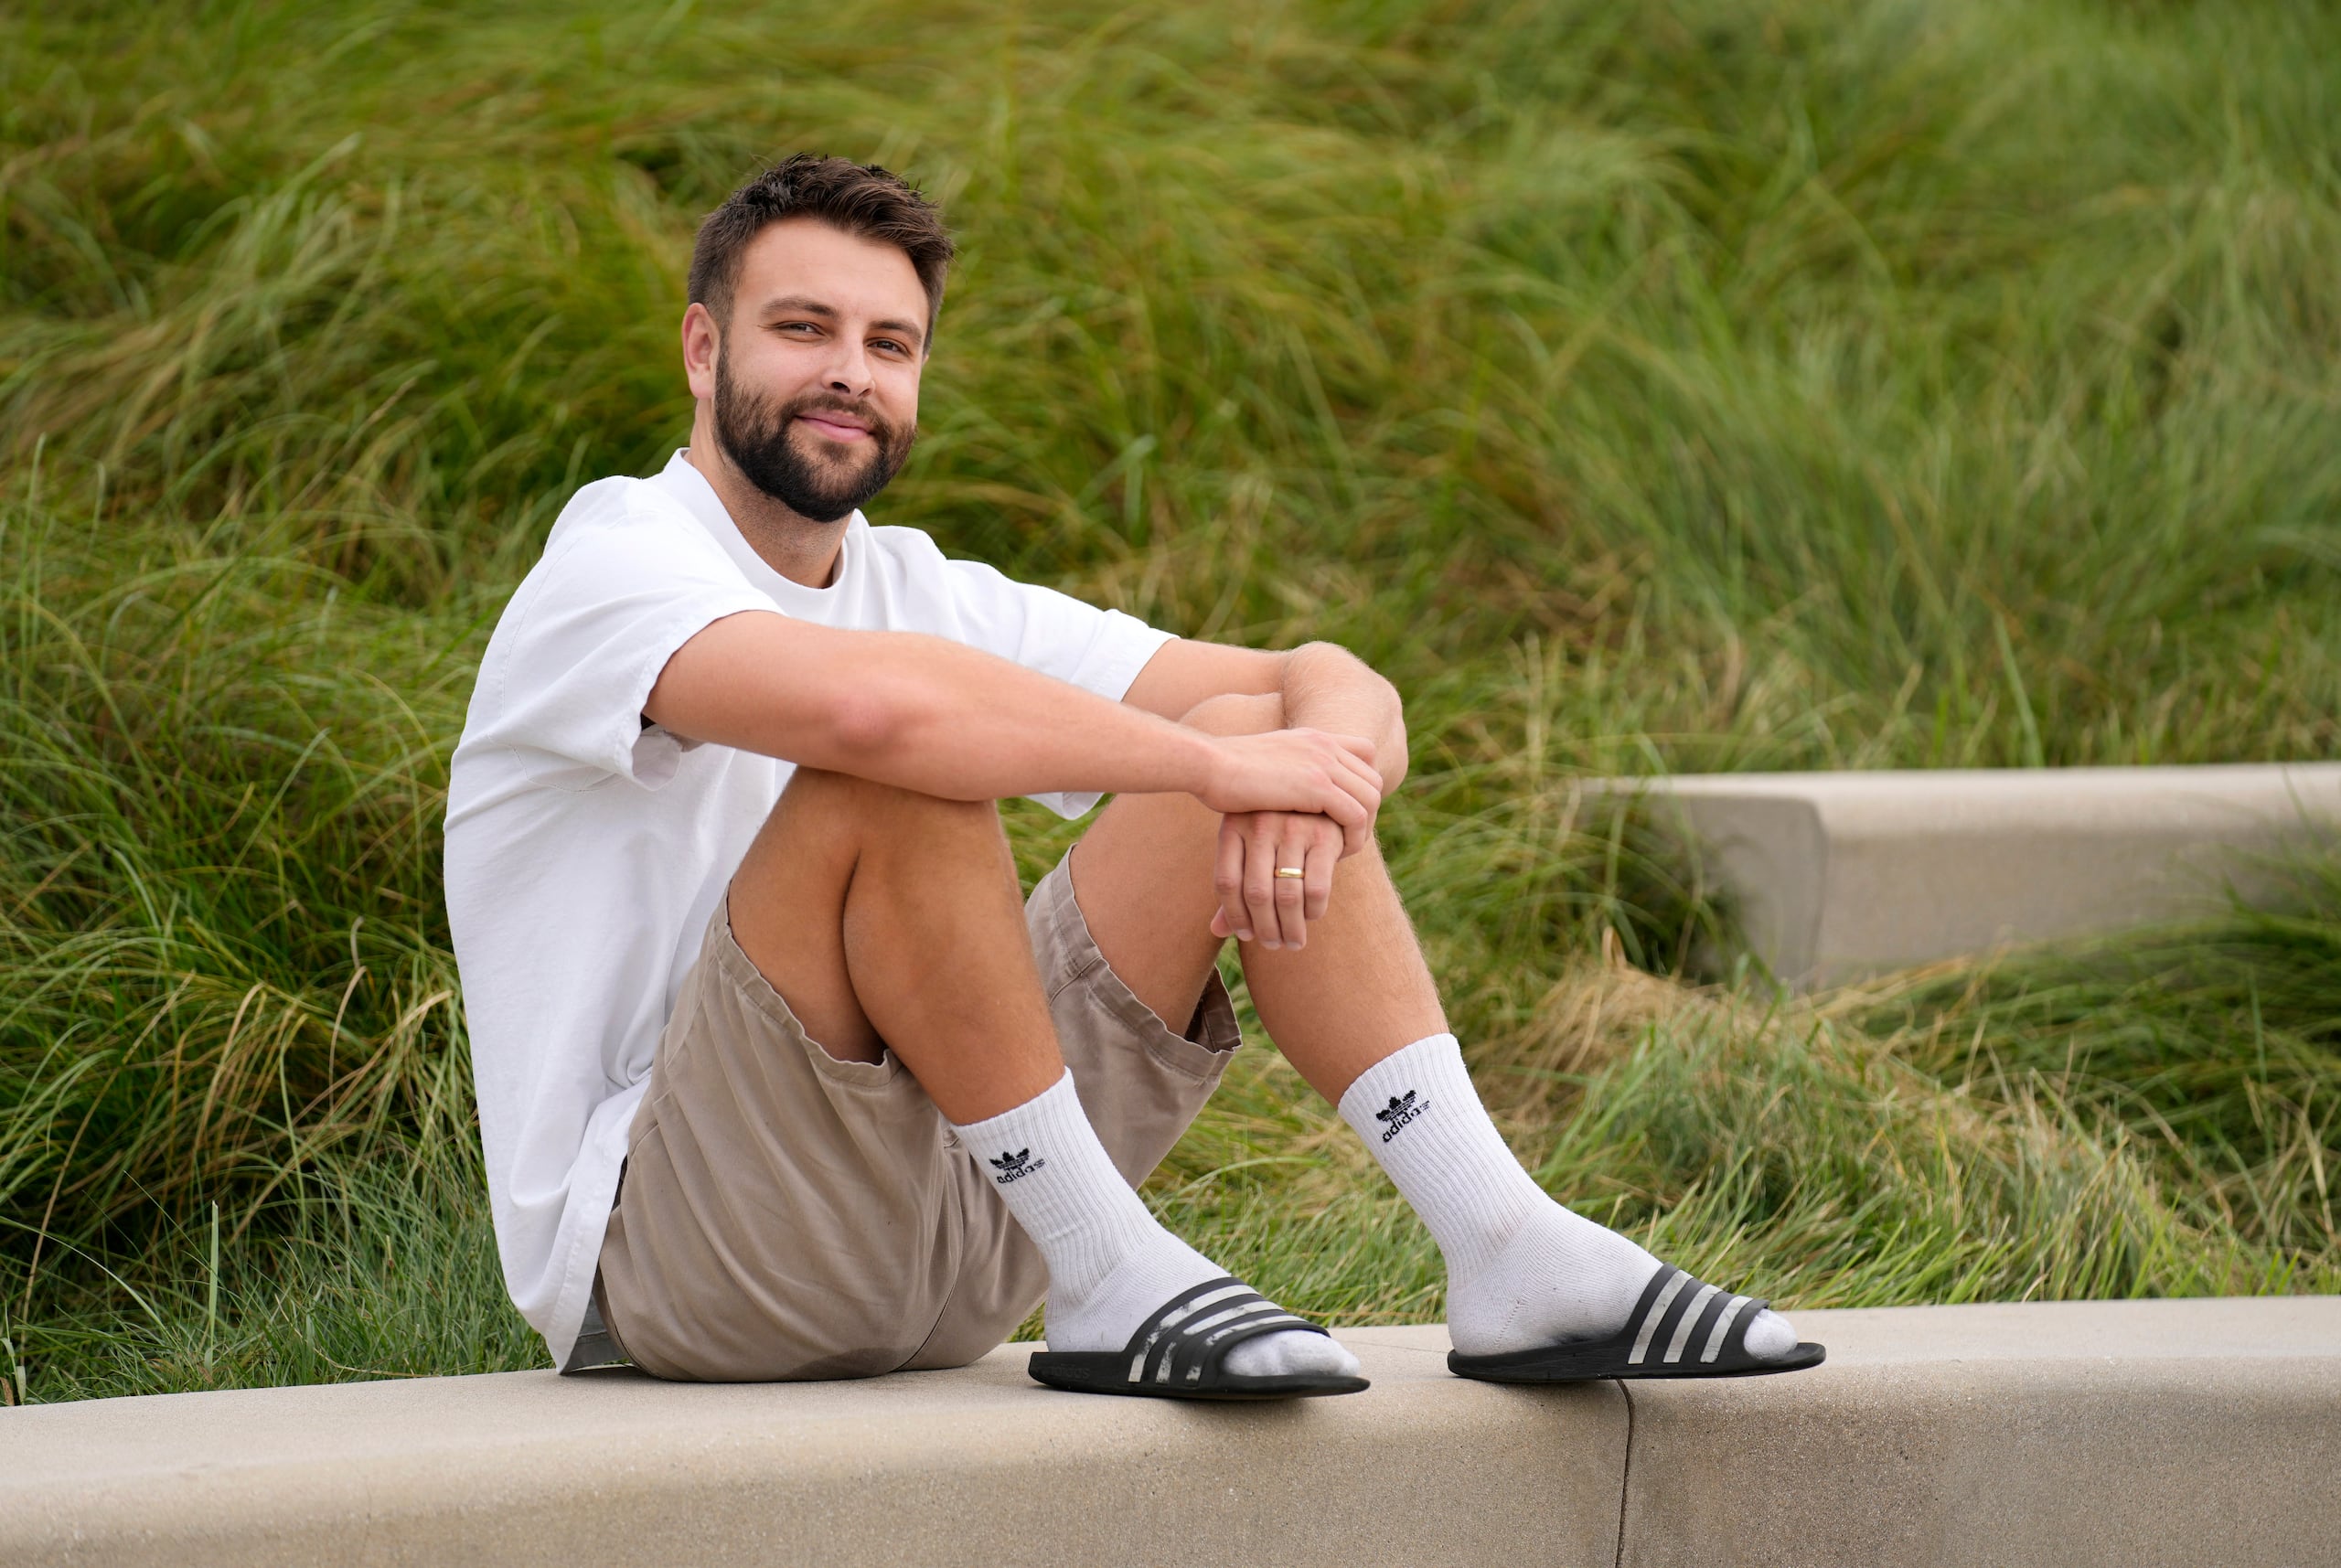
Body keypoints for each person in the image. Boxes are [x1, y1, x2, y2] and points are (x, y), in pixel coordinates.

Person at [444, 155, 1821, 1398]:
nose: (851, 372)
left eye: (890, 343)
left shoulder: (919, 587)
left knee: (1248, 726)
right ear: (703, 349)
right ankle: (1111, 1270)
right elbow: (872, 715)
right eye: (803, 329)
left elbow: (1320, 689)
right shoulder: (613, 566)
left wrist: (1279, 749)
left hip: (970, 1244)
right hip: (690, 1268)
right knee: (912, 770)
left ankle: (1506, 1246)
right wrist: (1225, 759)